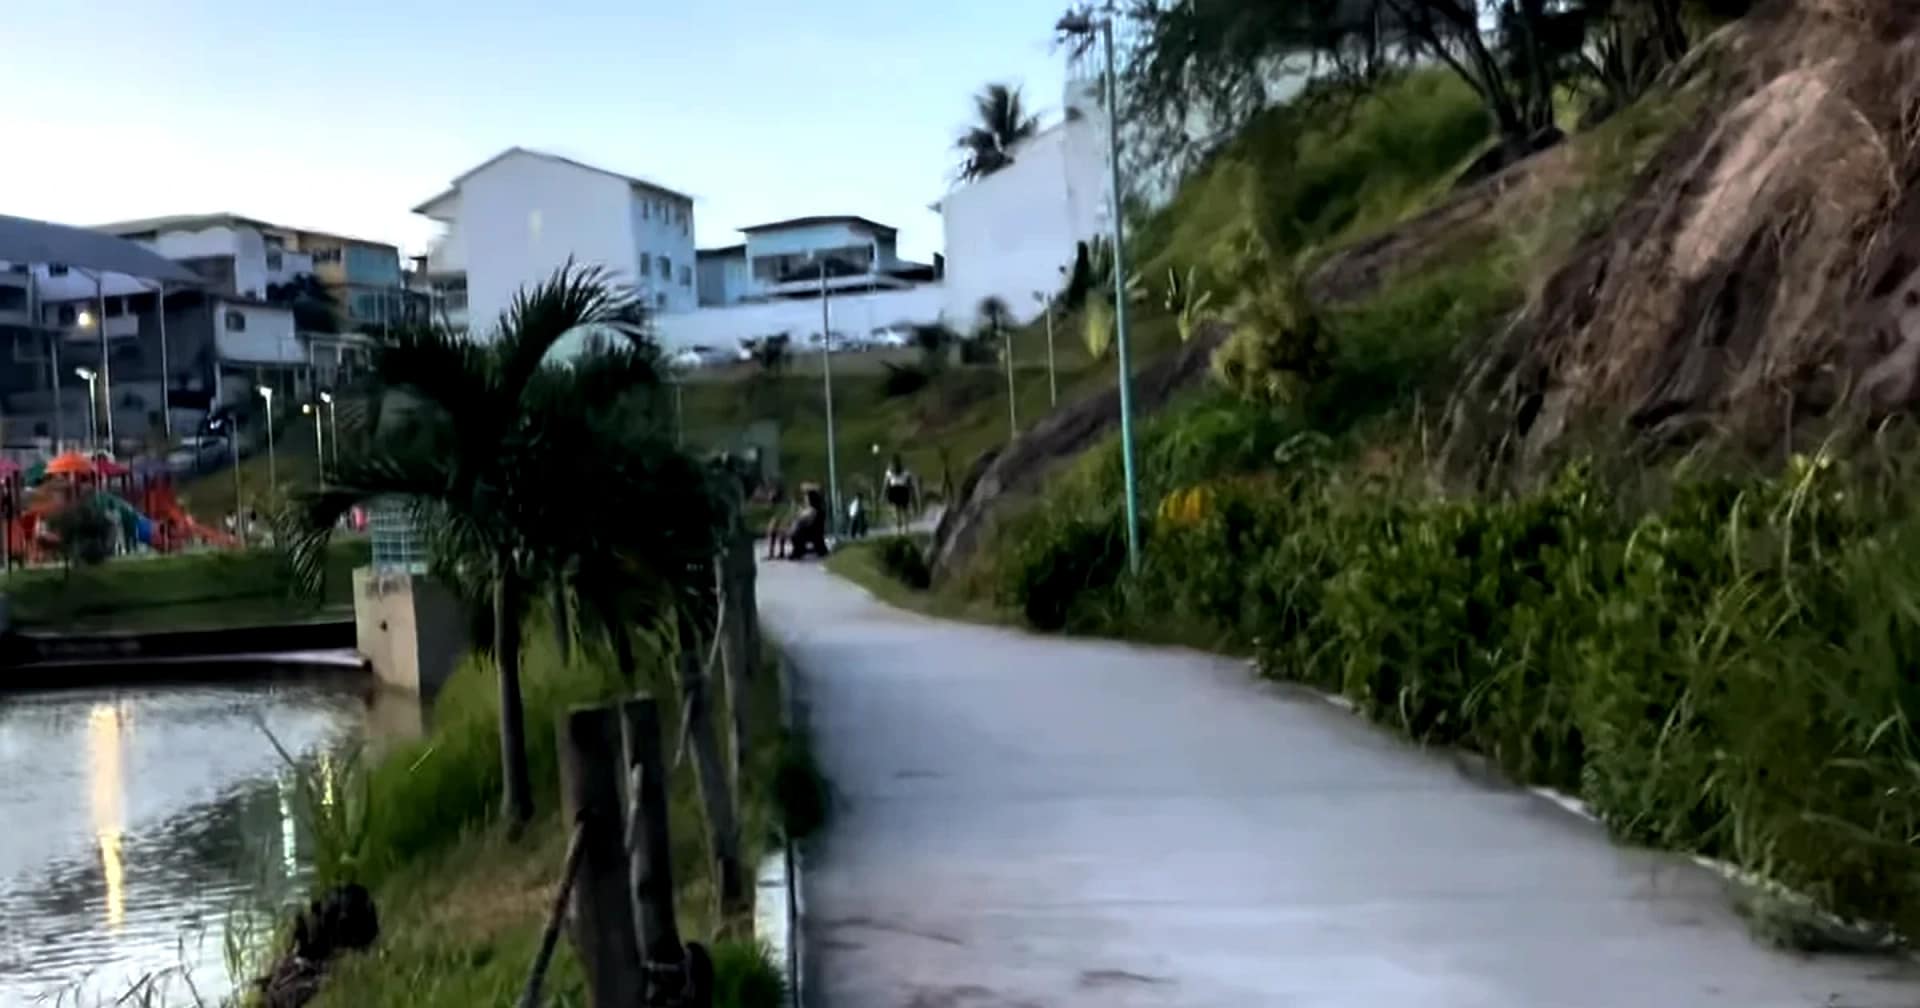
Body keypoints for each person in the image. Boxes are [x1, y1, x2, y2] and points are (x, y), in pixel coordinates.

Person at [884, 454, 915, 533]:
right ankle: (902, 528)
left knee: (900, 511)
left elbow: (886, 484)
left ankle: (903, 528)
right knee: (900, 511)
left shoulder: (904, 472)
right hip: (898, 490)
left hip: (899, 489)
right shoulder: (891, 472)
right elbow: (886, 484)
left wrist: (911, 492)